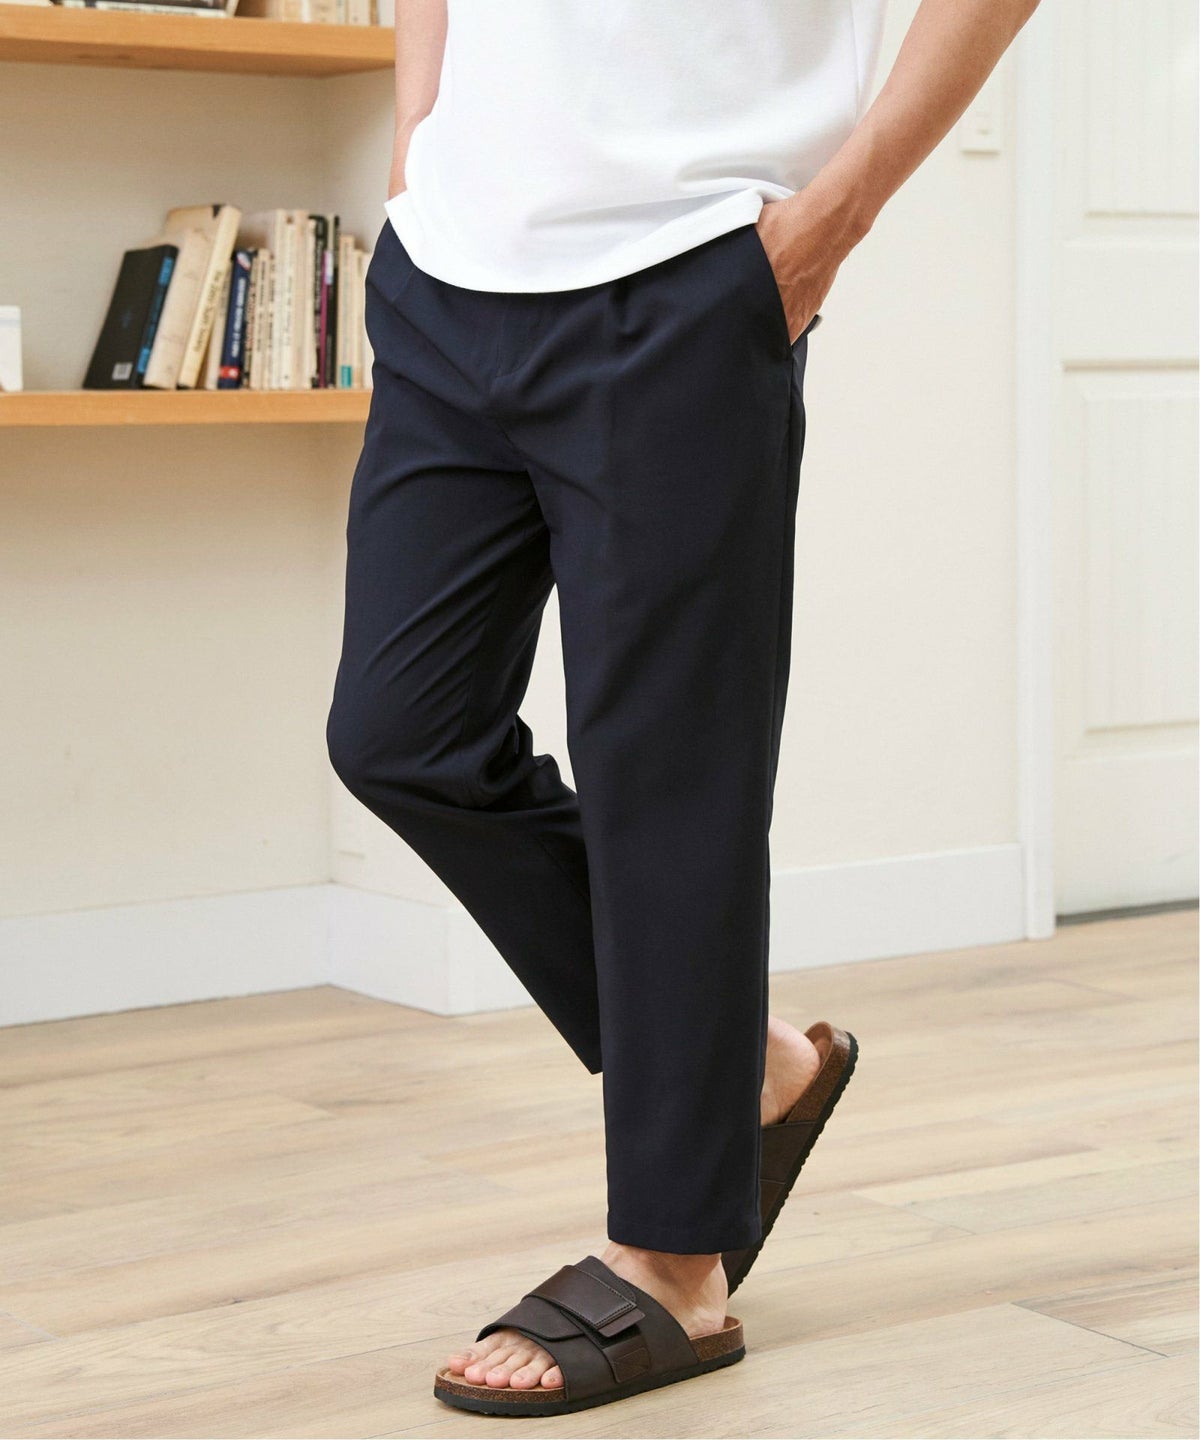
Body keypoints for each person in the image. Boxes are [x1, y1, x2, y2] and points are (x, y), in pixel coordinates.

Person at [326, 0, 1042, 1416]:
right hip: (451, 268)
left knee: (667, 784)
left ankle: (674, 1262)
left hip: (687, 273)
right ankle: (749, 1077)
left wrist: (835, 216)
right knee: (400, 734)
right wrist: (420, 139)